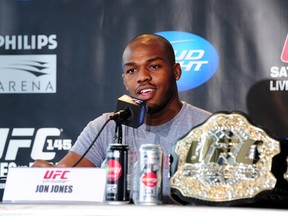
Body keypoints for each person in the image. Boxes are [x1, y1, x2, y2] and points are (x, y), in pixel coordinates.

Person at [32, 33, 211, 204]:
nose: (142, 77)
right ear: (125, 81)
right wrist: (50, 175)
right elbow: (67, 178)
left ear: (176, 71)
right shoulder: (106, 125)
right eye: (132, 70)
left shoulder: (208, 128)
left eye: (154, 66)